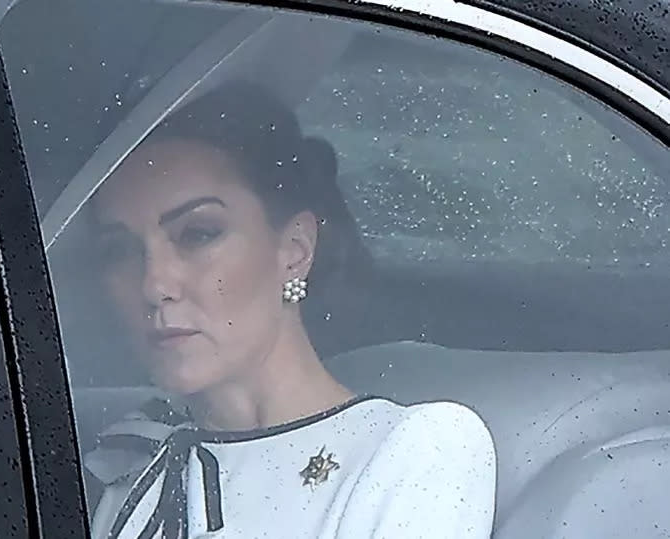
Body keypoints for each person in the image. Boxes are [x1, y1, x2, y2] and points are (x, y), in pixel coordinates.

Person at [85, 81, 497, 538]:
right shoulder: (135, 455)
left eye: (198, 234)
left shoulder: (412, 451)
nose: (154, 283)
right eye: (119, 251)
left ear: (295, 249)